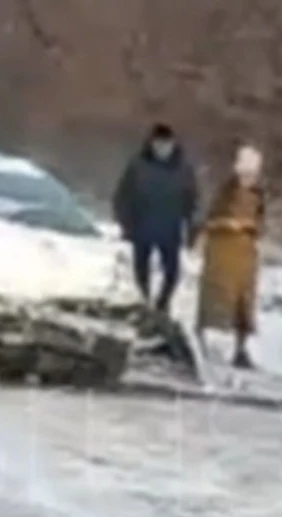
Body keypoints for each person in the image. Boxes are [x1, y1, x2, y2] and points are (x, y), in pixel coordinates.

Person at [111, 122, 200, 315]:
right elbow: (122, 195)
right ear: (151, 144)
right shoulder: (138, 164)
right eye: (158, 144)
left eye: (166, 144)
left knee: (172, 272)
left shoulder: (183, 169)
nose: (162, 148)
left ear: (173, 144)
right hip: (142, 227)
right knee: (141, 269)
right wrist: (125, 222)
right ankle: (144, 301)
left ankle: (162, 303)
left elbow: (192, 200)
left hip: (170, 229)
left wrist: (193, 227)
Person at [197, 144, 267, 368]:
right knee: (215, 298)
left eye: (253, 175)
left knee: (243, 304)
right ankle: (203, 342)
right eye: (246, 175)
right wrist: (227, 224)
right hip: (221, 252)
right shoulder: (224, 194)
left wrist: (252, 227)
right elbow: (209, 221)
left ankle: (241, 349)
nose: (249, 179)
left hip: (245, 254)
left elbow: (261, 225)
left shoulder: (259, 195)